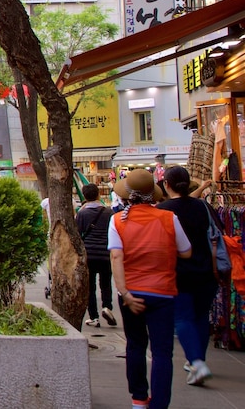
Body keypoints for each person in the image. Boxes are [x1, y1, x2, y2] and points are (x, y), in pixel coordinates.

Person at [109, 168, 192, 409]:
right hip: (163, 293)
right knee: (162, 352)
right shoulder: (168, 218)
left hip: (131, 293)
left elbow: (116, 257)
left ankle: (138, 399)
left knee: (135, 345)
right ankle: (160, 404)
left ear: (128, 194)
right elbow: (186, 251)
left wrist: (125, 294)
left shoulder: (117, 221)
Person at [156, 166, 217, 386]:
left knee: (183, 317)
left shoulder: (162, 210)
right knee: (201, 317)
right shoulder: (202, 206)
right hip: (205, 270)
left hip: (177, 272)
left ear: (167, 185)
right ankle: (197, 360)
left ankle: (196, 362)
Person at [77, 183, 116, 328]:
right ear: (98, 194)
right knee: (106, 284)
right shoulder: (109, 212)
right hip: (106, 253)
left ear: (84, 196)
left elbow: (78, 232)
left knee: (90, 287)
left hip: (89, 254)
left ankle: (94, 317)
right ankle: (107, 307)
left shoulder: (82, 214)